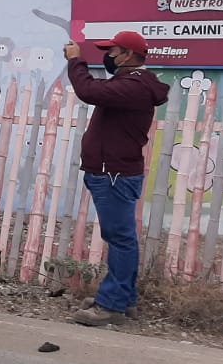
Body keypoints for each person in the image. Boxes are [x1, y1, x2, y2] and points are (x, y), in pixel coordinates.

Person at [63, 30, 169, 327]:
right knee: (123, 239)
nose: (108, 56)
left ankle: (111, 305)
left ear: (129, 55)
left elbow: (88, 91)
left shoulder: (134, 86)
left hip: (114, 174)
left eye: (113, 51)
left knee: (120, 240)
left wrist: (75, 62)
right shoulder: (132, 83)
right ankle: (124, 299)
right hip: (114, 172)